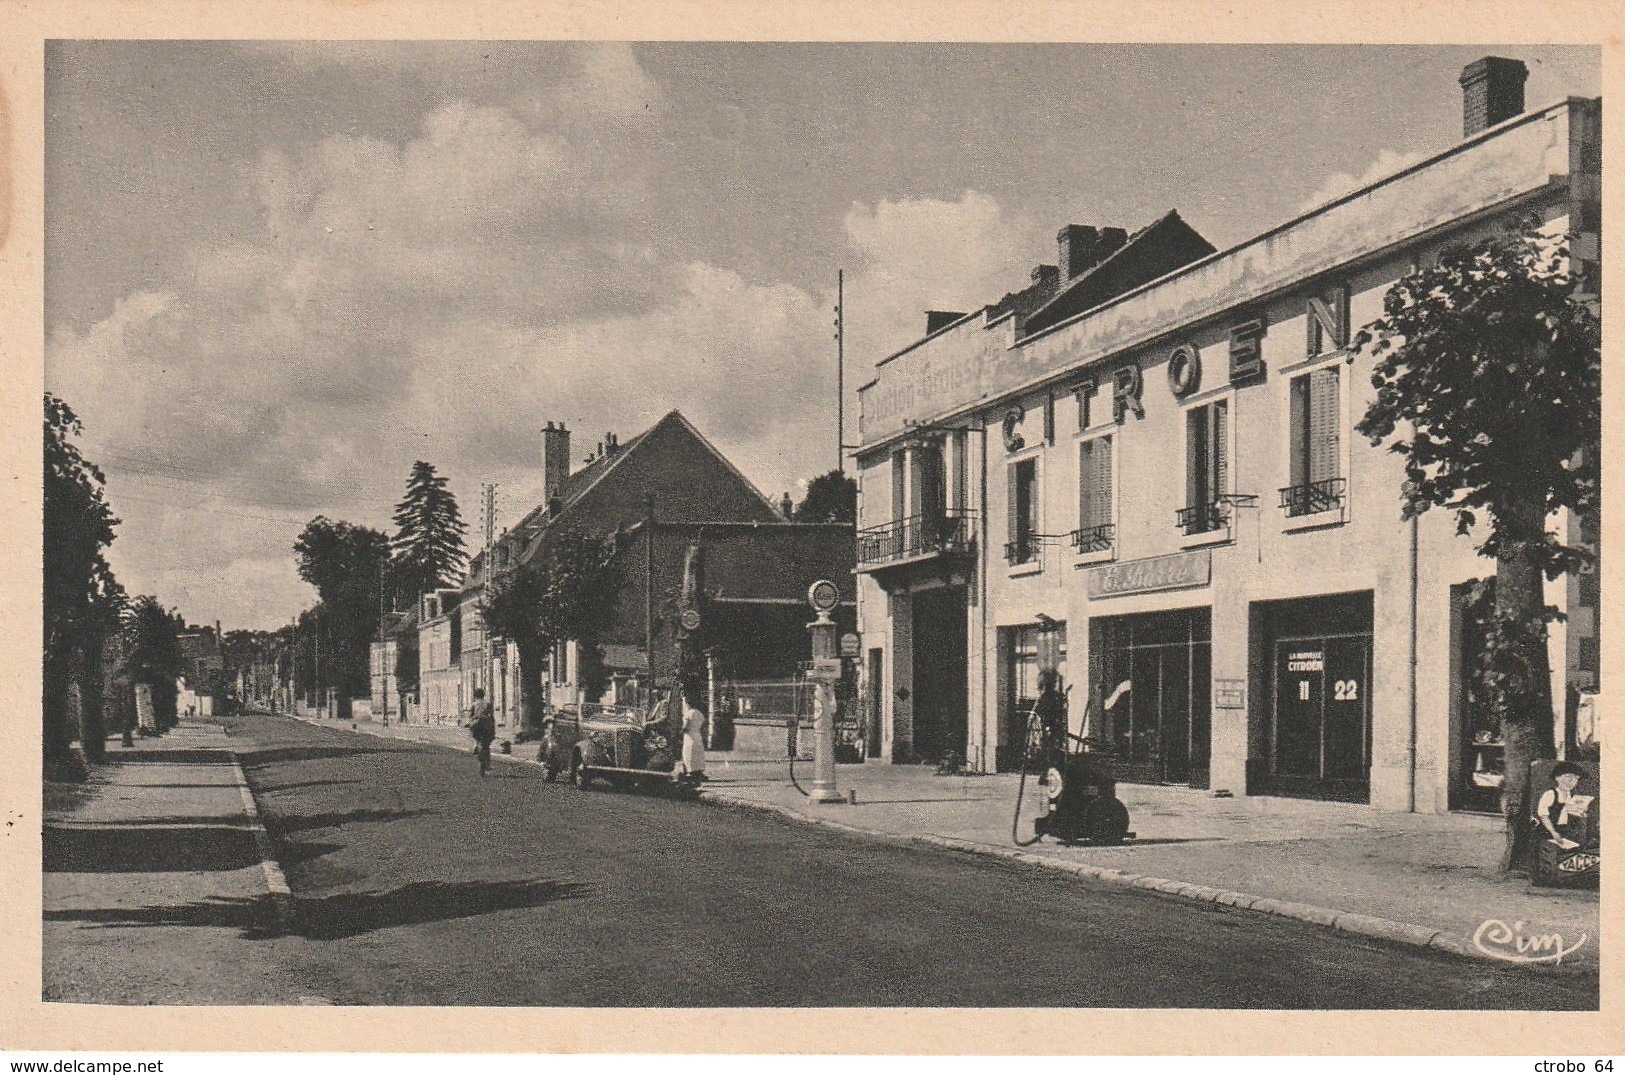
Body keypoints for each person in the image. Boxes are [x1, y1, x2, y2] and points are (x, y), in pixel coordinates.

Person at [1534, 761, 1592, 850]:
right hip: (1547, 833)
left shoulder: (1573, 796)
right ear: (1557, 778)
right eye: (1568, 777)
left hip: (1564, 832)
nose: (1572, 781)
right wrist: (1553, 832)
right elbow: (1544, 816)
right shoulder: (1550, 794)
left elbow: (1573, 815)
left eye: (1576, 778)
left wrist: (1583, 814)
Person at [467, 687, 497, 777]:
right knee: (486, 745)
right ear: (483, 695)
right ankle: (487, 764)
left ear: (475, 696)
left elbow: (470, 716)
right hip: (485, 726)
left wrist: (471, 722)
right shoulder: (487, 704)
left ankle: (476, 744)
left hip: (476, 726)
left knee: (476, 736)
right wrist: (493, 728)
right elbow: (491, 717)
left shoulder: (474, 705)